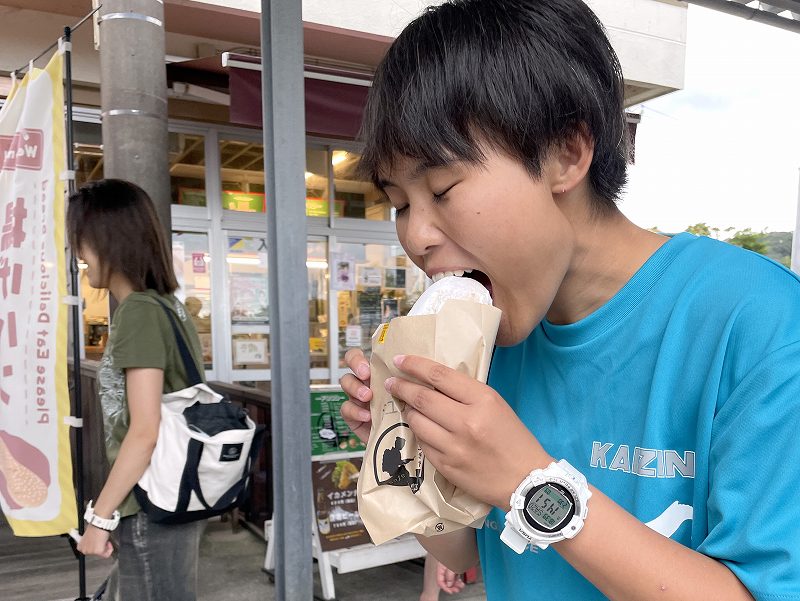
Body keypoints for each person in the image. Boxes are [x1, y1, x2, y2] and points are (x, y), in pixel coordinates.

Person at [339, 1, 800, 600]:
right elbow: (466, 553)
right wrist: (407, 442)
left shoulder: (757, 321)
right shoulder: (490, 342)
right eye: (400, 202)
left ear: (565, 153)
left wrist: (530, 482)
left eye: (443, 187)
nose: (416, 236)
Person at [68, 179, 206, 600]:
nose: (79, 256)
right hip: (163, 499)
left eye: (82, 241)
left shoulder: (140, 313)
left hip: (149, 504)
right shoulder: (167, 307)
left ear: (108, 239)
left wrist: (100, 518)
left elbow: (144, 431)